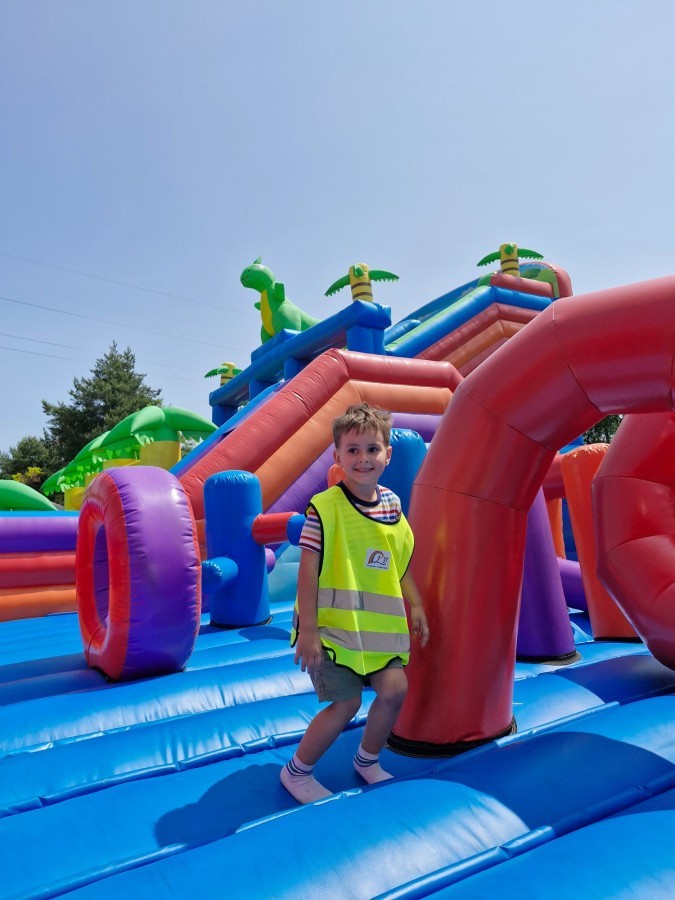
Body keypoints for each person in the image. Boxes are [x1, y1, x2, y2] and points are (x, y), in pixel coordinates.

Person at [280, 402, 429, 804]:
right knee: (346, 703)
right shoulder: (325, 508)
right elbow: (307, 570)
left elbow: (399, 562)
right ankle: (296, 771)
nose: (363, 458)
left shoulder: (392, 505)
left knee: (395, 690)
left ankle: (367, 759)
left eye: (372, 449)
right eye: (353, 450)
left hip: (375, 632)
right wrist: (309, 631)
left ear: (388, 454)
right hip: (331, 631)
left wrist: (415, 604)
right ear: (338, 456)